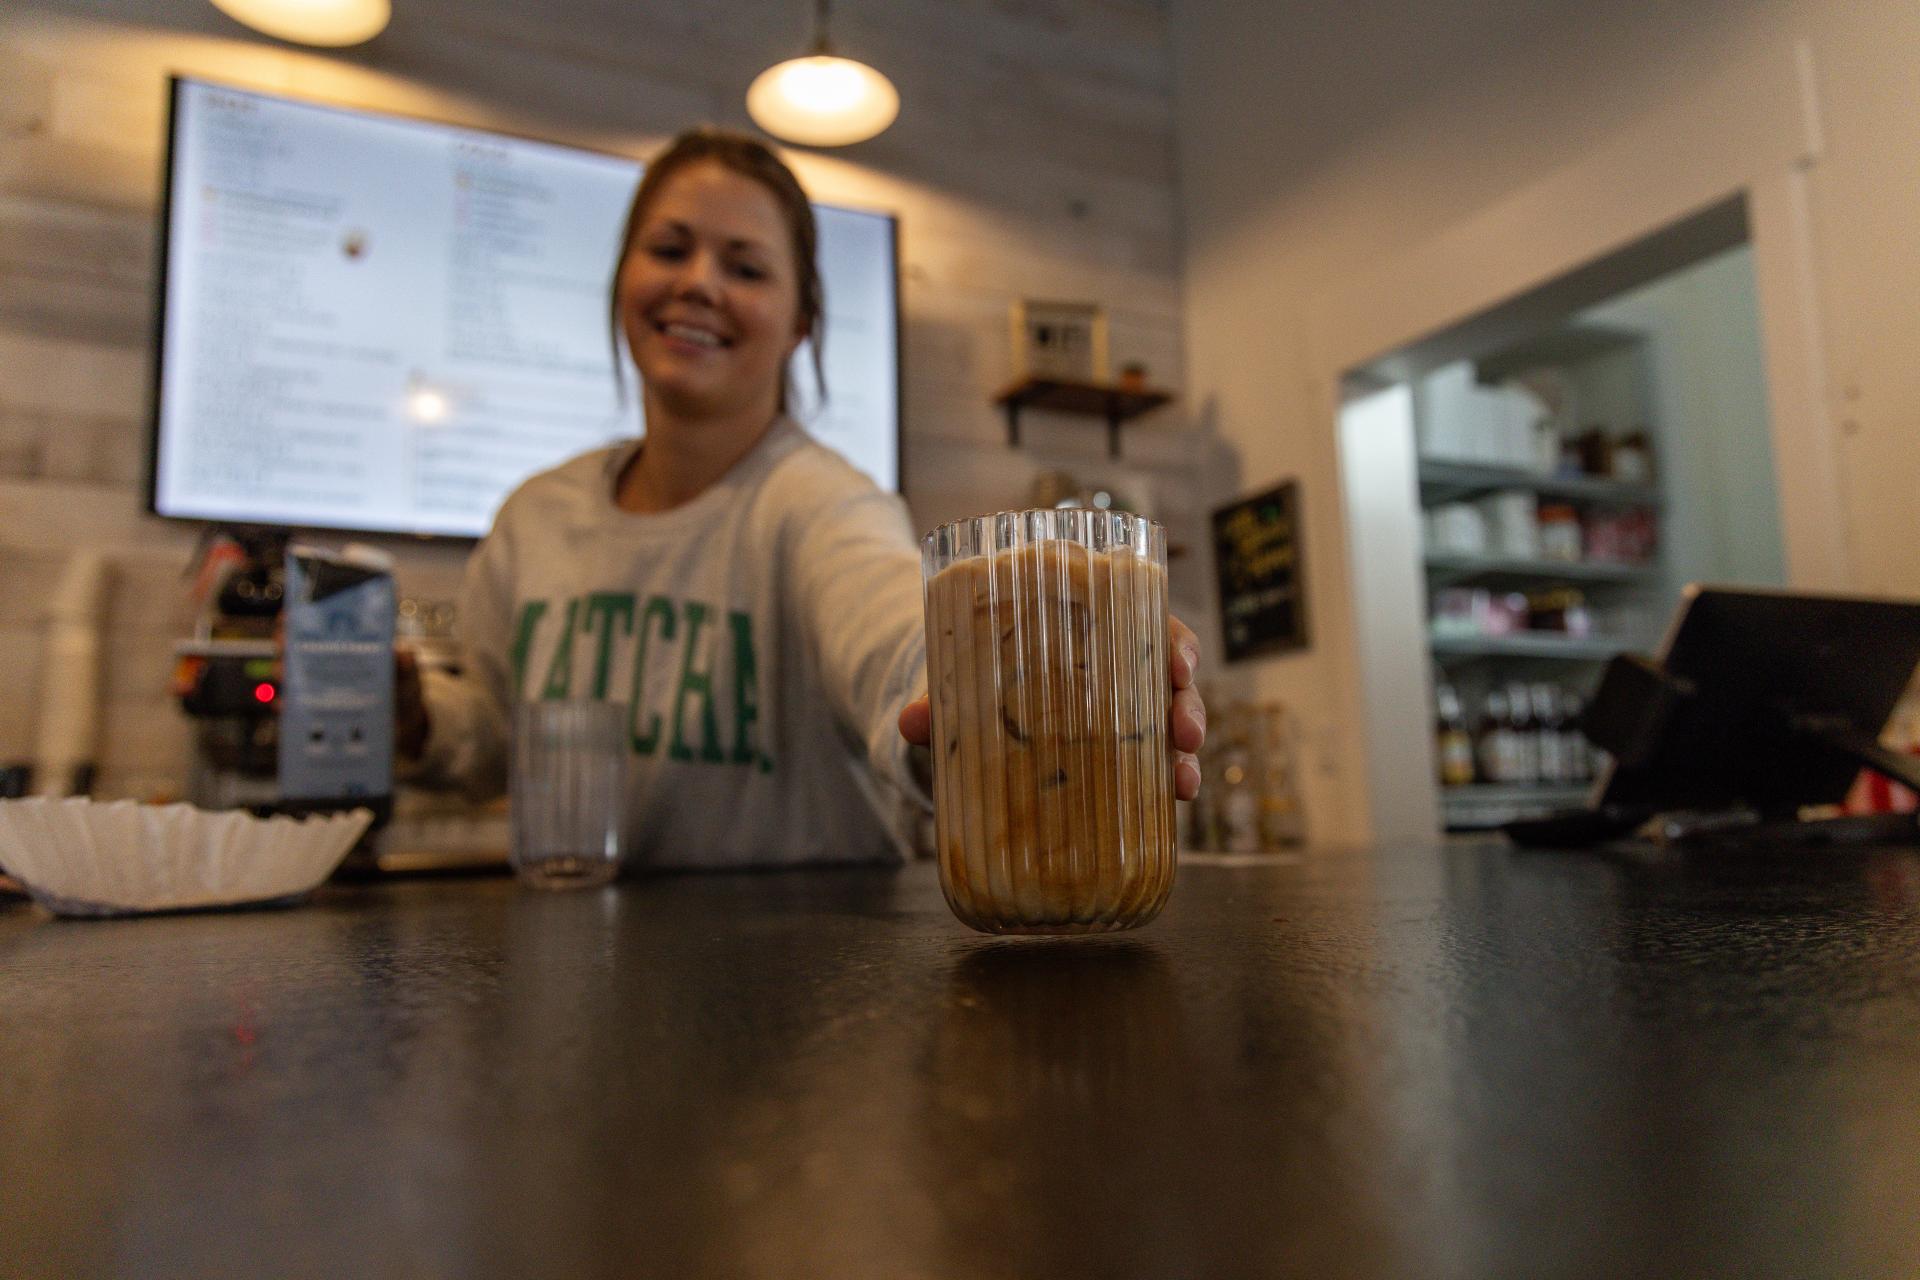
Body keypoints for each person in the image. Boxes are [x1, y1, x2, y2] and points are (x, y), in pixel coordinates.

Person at [397, 127, 1206, 868]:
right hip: (576, 975)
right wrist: (410, 712)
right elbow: (494, 733)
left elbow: (893, 634)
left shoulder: (823, 504)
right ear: (622, 282)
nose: (698, 284)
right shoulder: (535, 517)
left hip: (808, 991)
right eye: (669, 249)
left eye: (745, 267)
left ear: (800, 323)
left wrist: (981, 685)